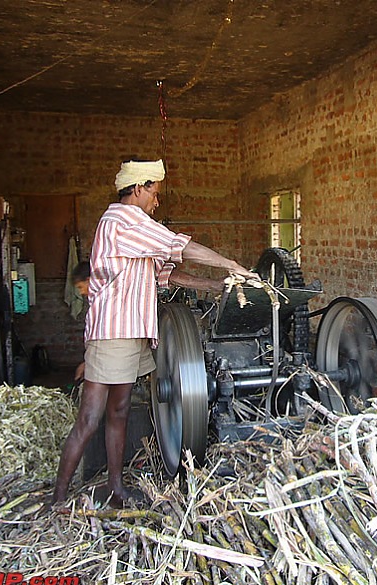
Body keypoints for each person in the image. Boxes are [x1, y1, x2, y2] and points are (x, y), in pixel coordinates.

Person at [53, 159, 257, 507]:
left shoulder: (137, 231)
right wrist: (231, 264)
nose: (156, 202)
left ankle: (115, 489)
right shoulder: (122, 220)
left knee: (119, 412)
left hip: (133, 333)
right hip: (112, 334)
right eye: (154, 193)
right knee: (89, 418)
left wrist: (218, 285)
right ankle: (57, 499)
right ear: (137, 188)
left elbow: (169, 275)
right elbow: (182, 246)